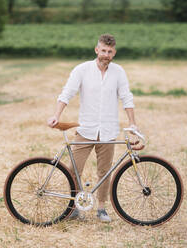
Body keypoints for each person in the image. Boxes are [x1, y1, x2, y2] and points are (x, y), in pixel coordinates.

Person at [47, 34, 138, 222]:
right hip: (86, 129)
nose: (106, 54)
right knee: (73, 169)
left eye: (110, 51)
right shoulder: (82, 70)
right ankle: (74, 207)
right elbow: (67, 93)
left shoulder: (118, 72)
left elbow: (126, 97)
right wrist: (56, 115)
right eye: (103, 50)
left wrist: (132, 123)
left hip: (108, 131)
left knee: (105, 172)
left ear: (114, 53)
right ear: (97, 50)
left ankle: (102, 208)